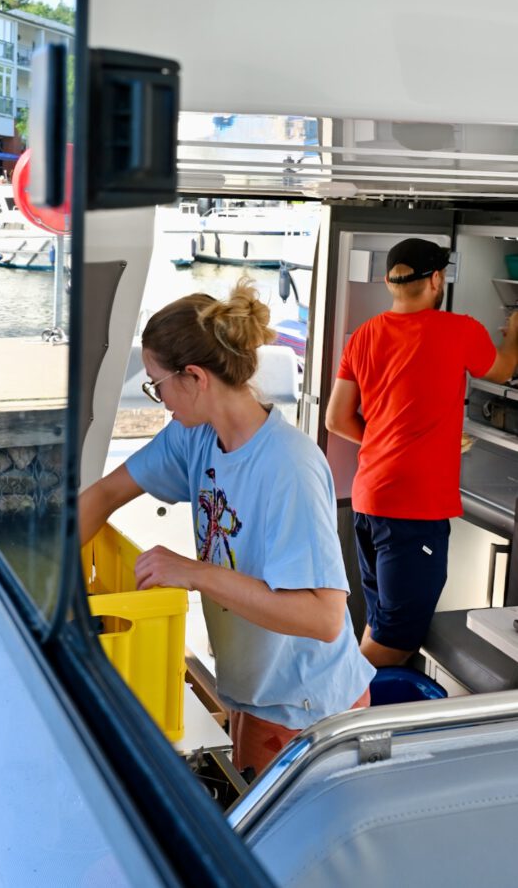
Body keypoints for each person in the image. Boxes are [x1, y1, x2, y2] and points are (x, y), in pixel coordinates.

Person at [80, 280, 374, 776]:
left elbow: (323, 618)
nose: (159, 399)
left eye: (158, 384)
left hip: (306, 709)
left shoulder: (288, 466)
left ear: (194, 377)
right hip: (255, 690)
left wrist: (193, 573)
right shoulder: (196, 437)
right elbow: (105, 494)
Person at [326, 237, 518, 669]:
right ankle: (338, 720)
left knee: (380, 622)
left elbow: (337, 420)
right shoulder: (460, 329)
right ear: (436, 279)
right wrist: (516, 333)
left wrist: (393, 441)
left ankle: (354, 719)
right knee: (397, 638)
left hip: (370, 501)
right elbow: (503, 369)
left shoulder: (365, 335)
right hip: (413, 513)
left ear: (393, 282)